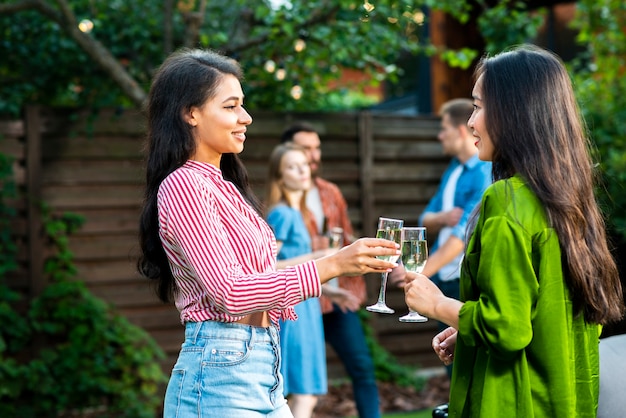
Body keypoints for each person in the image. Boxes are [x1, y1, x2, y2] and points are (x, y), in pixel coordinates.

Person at [136, 48, 400, 418]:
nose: (246, 117)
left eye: (242, 105)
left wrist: (339, 262)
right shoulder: (185, 186)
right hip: (219, 375)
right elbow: (231, 294)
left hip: (263, 362)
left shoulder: (225, 187)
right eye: (230, 107)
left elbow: (260, 279)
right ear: (190, 113)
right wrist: (333, 265)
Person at [403, 44, 625, 417]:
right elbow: (548, 317)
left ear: (516, 113)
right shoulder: (571, 201)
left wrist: (439, 304)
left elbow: (506, 329)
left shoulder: (506, 200)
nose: (472, 122)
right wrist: (470, 331)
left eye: (478, 106)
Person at [281, 122, 381, 418]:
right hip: (301, 301)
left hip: (335, 296)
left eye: (316, 148)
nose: (313, 155)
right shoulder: (281, 204)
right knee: (295, 382)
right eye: (305, 149)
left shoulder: (330, 192)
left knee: (362, 367)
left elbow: (347, 238)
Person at [265, 143, 328, 418]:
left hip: (307, 306)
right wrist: (321, 256)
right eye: (292, 166)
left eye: (304, 164)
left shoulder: (297, 212)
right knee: (303, 393)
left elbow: (298, 264)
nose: (302, 171)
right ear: (279, 177)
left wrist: (333, 294)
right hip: (294, 310)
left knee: (304, 392)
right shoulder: (282, 214)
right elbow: (267, 267)